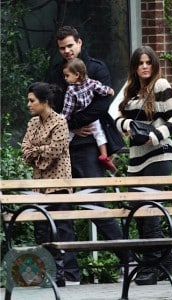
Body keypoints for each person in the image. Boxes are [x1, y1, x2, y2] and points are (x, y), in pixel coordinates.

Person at [47, 26, 127, 285]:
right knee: (62, 209)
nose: (67, 51)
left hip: (91, 147)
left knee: (95, 205)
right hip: (62, 149)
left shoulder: (97, 68)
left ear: (79, 43)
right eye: (62, 47)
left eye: (70, 45)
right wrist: (70, 126)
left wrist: (75, 122)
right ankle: (70, 274)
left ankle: (129, 260)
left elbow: (102, 105)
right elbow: (50, 107)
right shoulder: (55, 72)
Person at [115, 46, 172, 285]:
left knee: (150, 210)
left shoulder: (161, 86)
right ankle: (168, 255)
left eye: (148, 62)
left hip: (159, 155)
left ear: (154, 65)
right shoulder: (131, 89)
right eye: (140, 63)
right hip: (136, 158)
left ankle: (151, 267)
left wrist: (155, 135)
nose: (144, 66)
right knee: (139, 213)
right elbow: (118, 116)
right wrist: (125, 126)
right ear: (134, 66)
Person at [21, 82, 79, 287]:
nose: (28, 104)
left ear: (44, 102)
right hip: (40, 185)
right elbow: (25, 151)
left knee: (62, 229)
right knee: (41, 229)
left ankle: (66, 275)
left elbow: (56, 151)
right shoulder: (32, 124)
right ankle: (46, 273)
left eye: (32, 100)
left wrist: (36, 153)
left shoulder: (60, 121)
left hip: (59, 183)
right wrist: (37, 154)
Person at [62, 57, 116, 171]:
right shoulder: (90, 82)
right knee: (99, 134)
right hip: (90, 115)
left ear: (76, 75)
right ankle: (104, 155)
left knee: (67, 137)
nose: (65, 78)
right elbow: (101, 88)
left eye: (67, 75)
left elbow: (68, 108)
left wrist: (63, 120)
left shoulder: (71, 90)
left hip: (77, 115)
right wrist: (110, 91)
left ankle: (61, 155)